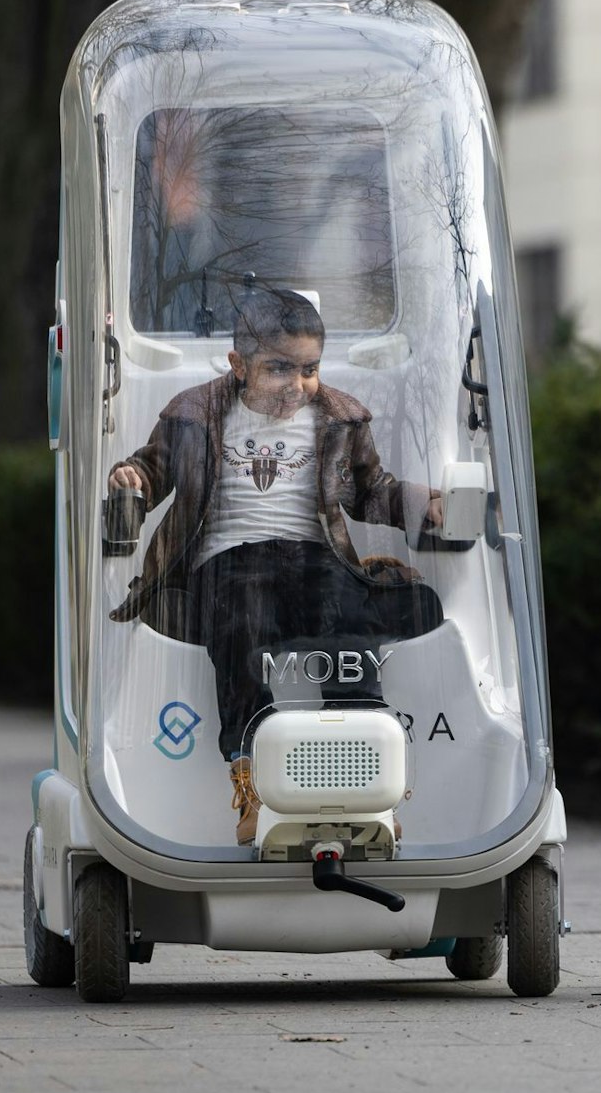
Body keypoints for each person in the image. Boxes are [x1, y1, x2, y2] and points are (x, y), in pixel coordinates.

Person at [107, 285, 444, 845]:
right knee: (241, 626)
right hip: (229, 558)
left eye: (309, 369)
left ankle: (364, 780)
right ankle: (254, 788)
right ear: (239, 365)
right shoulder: (193, 415)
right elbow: (152, 468)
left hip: (314, 555)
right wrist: (133, 478)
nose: (297, 385)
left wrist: (420, 504)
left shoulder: (338, 418)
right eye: (279, 369)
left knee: (349, 628)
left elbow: (370, 491)